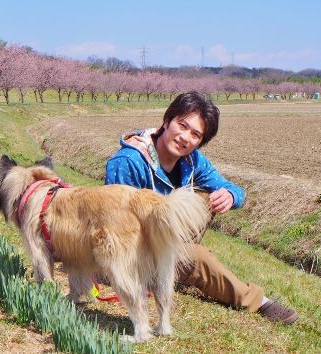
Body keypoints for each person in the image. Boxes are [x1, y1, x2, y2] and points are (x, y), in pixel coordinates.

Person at [104, 91, 298, 325]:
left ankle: (175, 267)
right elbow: (116, 230)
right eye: (182, 125)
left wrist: (229, 195)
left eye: (195, 134)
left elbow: (232, 188)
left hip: (164, 238)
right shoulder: (128, 162)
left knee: (207, 196)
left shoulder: (192, 160)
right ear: (167, 121)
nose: (185, 137)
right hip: (134, 251)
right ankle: (259, 302)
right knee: (196, 257)